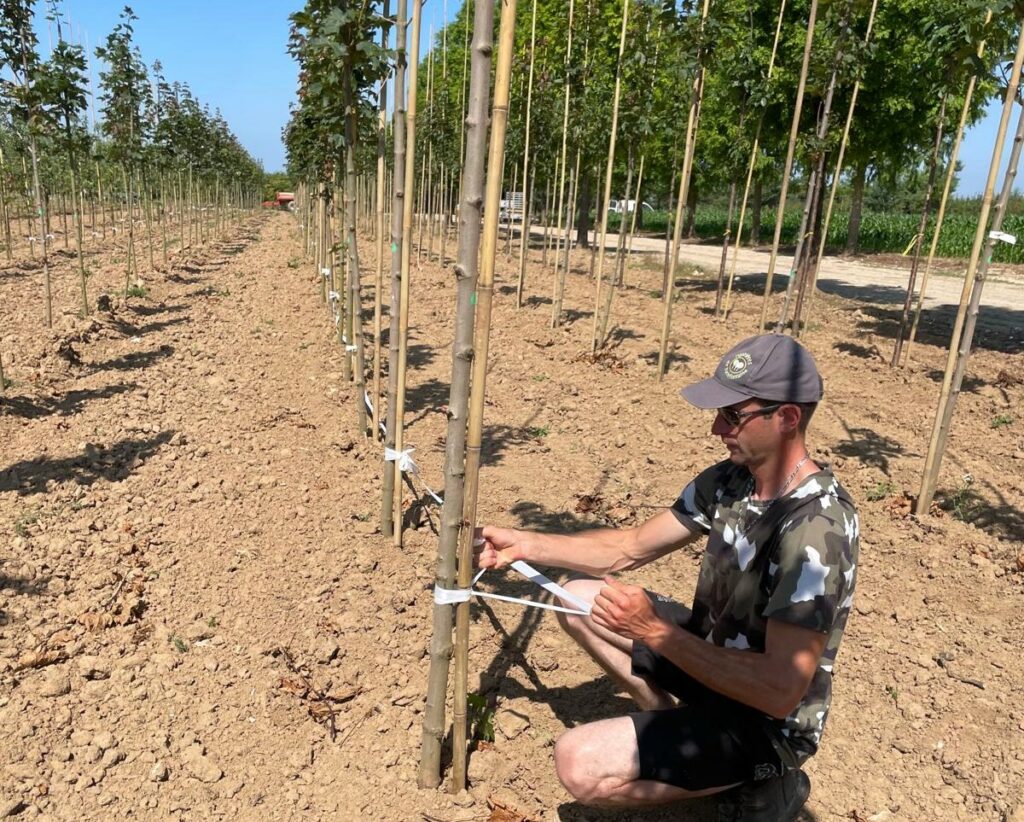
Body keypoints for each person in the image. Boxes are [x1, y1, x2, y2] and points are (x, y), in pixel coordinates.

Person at [476, 334, 859, 822]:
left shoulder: (815, 529)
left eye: (732, 416)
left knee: (580, 764)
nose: (717, 428)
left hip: (769, 719)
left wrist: (655, 633)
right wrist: (528, 544)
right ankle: (681, 727)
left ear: (786, 419)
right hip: (710, 660)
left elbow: (779, 690)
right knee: (577, 596)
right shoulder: (731, 481)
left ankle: (766, 783)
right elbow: (629, 547)